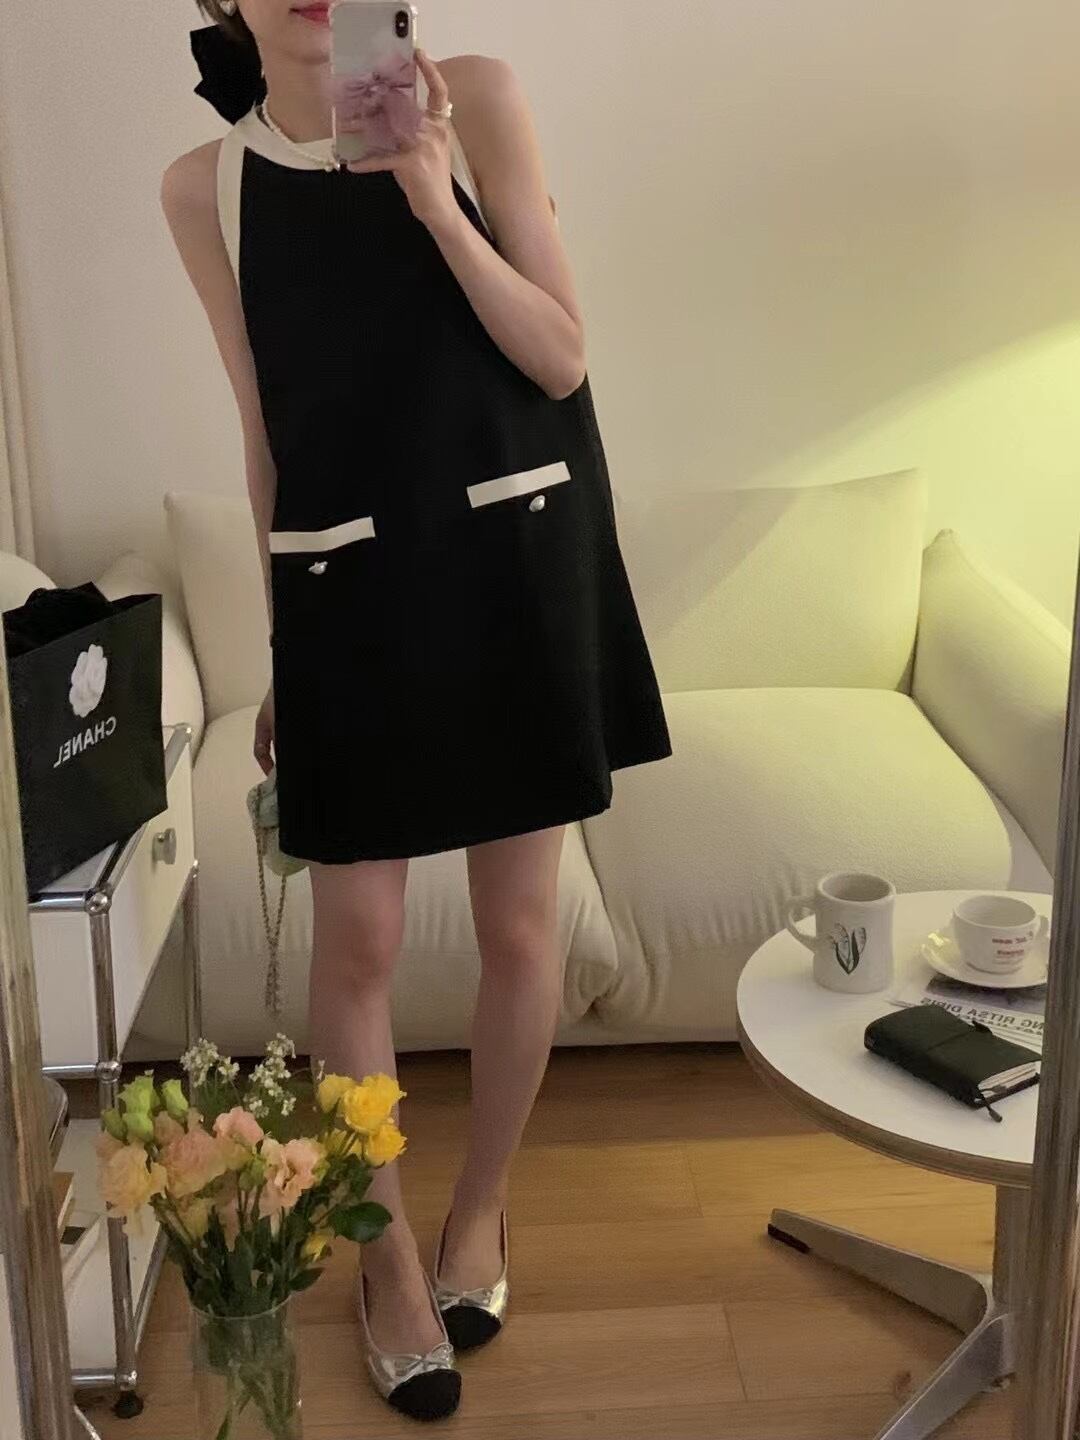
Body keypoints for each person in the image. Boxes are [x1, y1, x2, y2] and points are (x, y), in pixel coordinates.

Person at [163, 0, 672, 1421]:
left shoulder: (481, 97)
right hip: (348, 587)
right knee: (362, 942)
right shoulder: (206, 187)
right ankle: (384, 1260)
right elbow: (266, 430)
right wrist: (286, 648)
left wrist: (440, 202)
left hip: (518, 559)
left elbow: (560, 359)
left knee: (520, 931)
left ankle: (481, 1211)